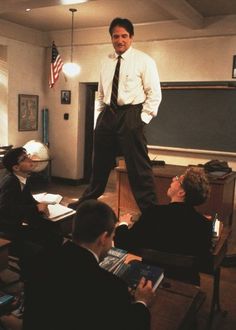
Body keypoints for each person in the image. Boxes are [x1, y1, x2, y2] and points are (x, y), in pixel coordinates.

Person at [23, 199, 155, 330]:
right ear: (103, 238)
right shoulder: (112, 287)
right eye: (112, 237)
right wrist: (142, 302)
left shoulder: (38, 261)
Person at [77, 17, 162, 212]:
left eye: (124, 36)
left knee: (139, 169)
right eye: (116, 36)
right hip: (108, 115)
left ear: (131, 38)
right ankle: (85, 204)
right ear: (111, 38)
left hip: (131, 115)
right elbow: (101, 93)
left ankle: (150, 212)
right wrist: (99, 118)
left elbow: (154, 94)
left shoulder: (144, 60)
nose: (120, 40)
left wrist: (141, 120)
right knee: (98, 165)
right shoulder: (105, 61)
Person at [114, 167, 213, 285]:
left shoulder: (153, 213)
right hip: (186, 282)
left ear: (182, 192)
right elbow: (205, 264)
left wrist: (123, 223)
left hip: (149, 279)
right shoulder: (204, 224)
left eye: (178, 179)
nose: (173, 179)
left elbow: (123, 243)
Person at [0, 147, 63, 275]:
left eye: (27, 155)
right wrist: (35, 208)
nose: (30, 159)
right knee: (39, 249)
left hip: (15, 225)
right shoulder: (11, 182)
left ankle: (49, 271)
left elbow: (28, 200)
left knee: (54, 234)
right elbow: (5, 209)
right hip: (6, 230)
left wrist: (38, 205)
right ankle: (32, 278)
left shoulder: (23, 178)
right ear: (16, 168)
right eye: (24, 158)